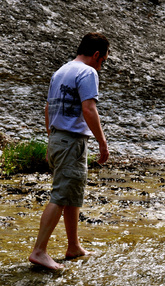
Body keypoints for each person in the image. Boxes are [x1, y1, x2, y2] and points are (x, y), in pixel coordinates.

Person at [29, 32, 110, 270]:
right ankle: (39, 251)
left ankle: (73, 246)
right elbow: (89, 109)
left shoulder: (61, 71)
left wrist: (51, 140)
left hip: (57, 138)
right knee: (61, 195)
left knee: (72, 193)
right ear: (96, 55)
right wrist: (102, 143)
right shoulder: (88, 72)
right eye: (103, 61)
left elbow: (48, 108)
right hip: (71, 141)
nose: (101, 66)